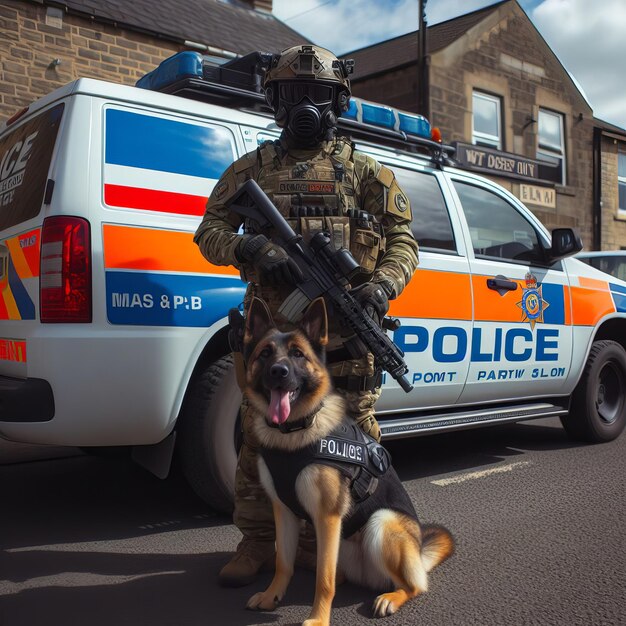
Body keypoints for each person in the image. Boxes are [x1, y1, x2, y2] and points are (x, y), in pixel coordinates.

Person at [194, 44, 419, 587]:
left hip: (347, 346)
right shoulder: (251, 170)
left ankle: (344, 544)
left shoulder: (368, 173)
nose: (305, 107)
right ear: (275, 102)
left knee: (357, 448)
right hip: (276, 350)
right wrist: (252, 251)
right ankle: (257, 543)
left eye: (316, 96)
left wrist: (380, 288)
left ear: (337, 102)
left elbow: (403, 242)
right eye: (293, 95)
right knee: (258, 445)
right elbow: (208, 233)